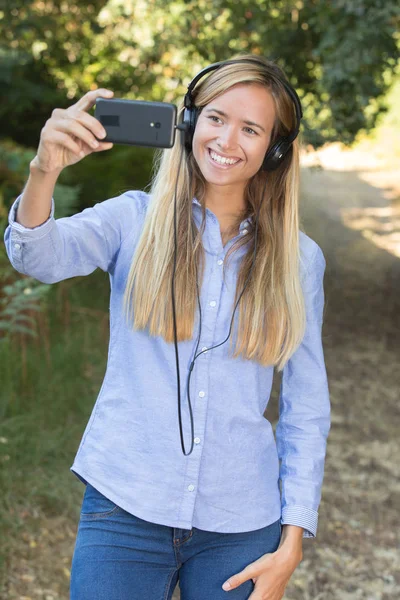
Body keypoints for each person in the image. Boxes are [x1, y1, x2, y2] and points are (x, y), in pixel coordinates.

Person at [4, 54, 331, 600]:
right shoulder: (132, 218)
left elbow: (307, 405)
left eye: (251, 129)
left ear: (274, 150)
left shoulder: (299, 260)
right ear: (188, 123)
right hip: (124, 507)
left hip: (241, 524)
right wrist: (45, 170)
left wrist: (291, 542)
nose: (228, 139)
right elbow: (36, 256)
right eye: (216, 118)